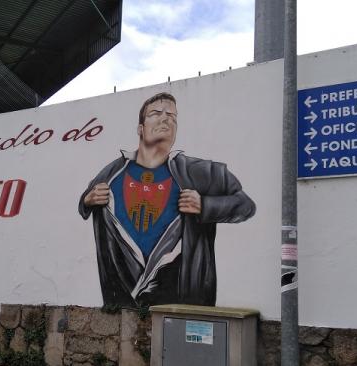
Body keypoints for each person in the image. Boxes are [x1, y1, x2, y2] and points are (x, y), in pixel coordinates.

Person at [79, 92, 255, 307]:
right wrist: (88, 199)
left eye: (172, 115)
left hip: (184, 302)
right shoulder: (114, 171)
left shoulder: (202, 172)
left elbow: (246, 205)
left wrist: (205, 205)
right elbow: (84, 203)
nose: (166, 118)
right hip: (123, 301)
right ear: (140, 128)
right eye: (155, 113)